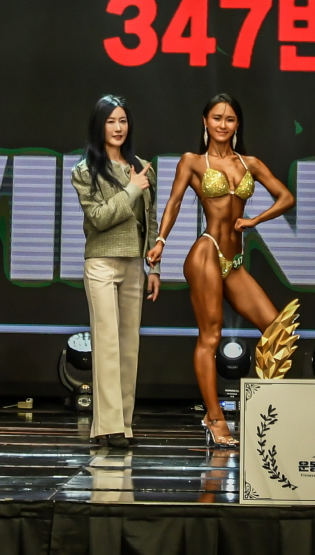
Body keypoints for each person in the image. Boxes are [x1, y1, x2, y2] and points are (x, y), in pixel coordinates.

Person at [148, 93, 295, 446]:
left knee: (278, 331)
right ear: (205, 121)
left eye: (229, 119)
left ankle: (265, 412)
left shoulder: (250, 163)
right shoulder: (193, 161)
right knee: (211, 337)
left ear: (237, 124)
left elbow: (286, 197)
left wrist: (256, 220)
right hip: (207, 252)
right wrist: (161, 241)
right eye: (216, 118)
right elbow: (174, 201)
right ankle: (214, 417)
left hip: (234, 262)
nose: (222, 125)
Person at [71, 95, 160, 449]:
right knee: (106, 344)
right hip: (102, 262)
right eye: (111, 121)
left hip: (134, 264)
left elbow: (150, 221)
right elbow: (99, 218)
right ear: (99, 126)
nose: (118, 128)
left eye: (123, 121)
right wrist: (132, 190)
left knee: (128, 348)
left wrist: (154, 267)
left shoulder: (142, 167)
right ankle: (106, 426)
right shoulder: (85, 170)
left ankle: (123, 424)